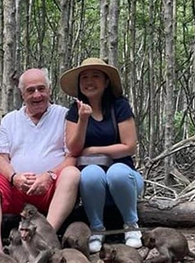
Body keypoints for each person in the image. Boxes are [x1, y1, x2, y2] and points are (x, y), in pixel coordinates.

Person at [0, 68, 80, 253]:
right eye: (31, 90)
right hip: (17, 188)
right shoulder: (10, 119)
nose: (37, 95)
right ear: (22, 94)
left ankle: (44, 236)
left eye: (41, 89)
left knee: (72, 173)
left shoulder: (64, 115)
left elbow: (72, 156)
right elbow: (0, 157)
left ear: (49, 89)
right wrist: (14, 177)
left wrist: (49, 176)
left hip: (51, 188)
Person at [60, 57, 144, 253]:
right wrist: (83, 119)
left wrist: (96, 150)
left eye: (96, 76)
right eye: (85, 77)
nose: (90, 82)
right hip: (92, 186)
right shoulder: (75, 111)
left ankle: (131, 225)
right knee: (90, 173)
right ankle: (97, 228)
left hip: (124, 179)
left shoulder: (119, 106)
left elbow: (129, 146)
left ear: (106, 82)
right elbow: (73, 149)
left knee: (116, 172)